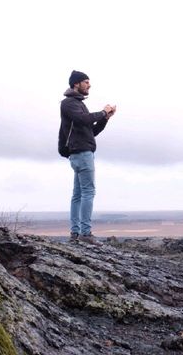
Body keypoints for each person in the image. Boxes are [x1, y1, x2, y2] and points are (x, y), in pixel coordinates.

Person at [59, 70, 116, 244]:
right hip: (82, 154)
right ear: (76, 84)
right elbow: (84, 120)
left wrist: (105, 118)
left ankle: (76, 233)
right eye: (86, 82)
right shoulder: (69, 103)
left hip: (80, 152)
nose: (89, 85)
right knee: (88, 192)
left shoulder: (76, 103)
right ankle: (85, 233)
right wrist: (102, 112)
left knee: (77, 194)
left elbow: (90, 131)